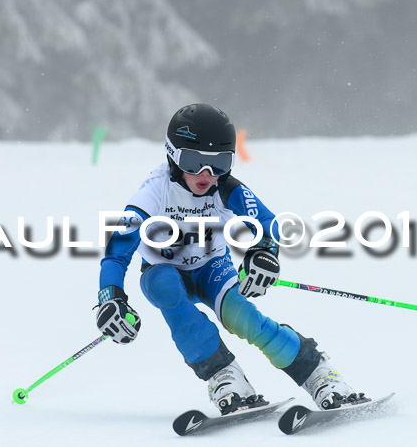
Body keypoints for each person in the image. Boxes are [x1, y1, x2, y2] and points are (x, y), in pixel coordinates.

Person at [95, 103, 366, 414]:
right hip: (163, 269)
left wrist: (264, 252)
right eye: (194, 161)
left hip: (211, 267)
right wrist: (111, 296)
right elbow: (117, 252)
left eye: (220, 163)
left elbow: (269, 224)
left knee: (244, 317)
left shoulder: (226, 188)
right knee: (166, 288)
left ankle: (318, 373)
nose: (206, 175)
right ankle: (223, 375)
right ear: (172, 155)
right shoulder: (155, 191)